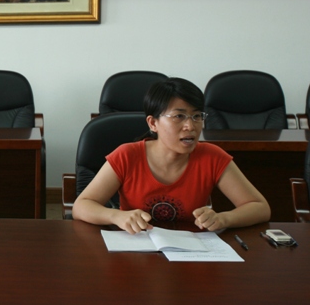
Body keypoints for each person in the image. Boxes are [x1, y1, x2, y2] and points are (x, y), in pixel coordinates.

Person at [72, 77, 270, 234]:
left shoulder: (212, 157)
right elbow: (81, 206)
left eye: (197, 116)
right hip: (136, 249)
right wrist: (116, 216)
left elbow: (259, 207)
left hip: (190, 253)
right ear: (153, 123)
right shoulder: (127, 155)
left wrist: (223, 219)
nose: (190, 126)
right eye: (179, 116)